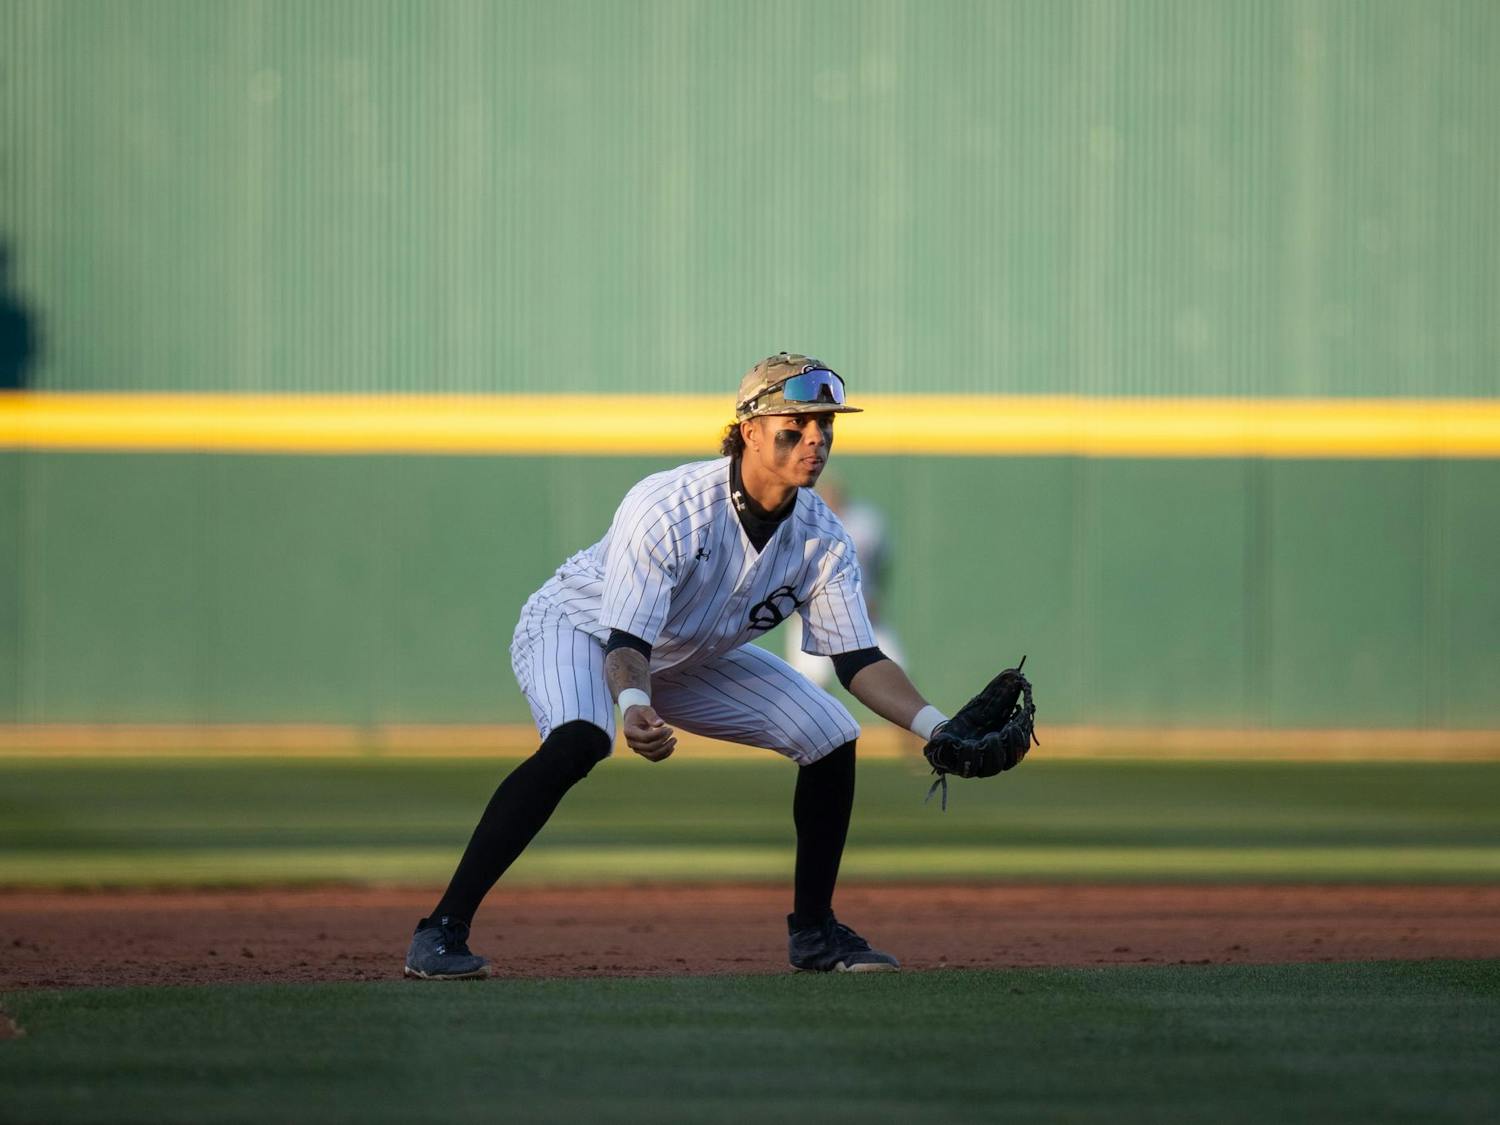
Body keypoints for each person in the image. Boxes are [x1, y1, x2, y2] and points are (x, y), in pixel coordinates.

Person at [404, 353, 954, 980]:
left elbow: (859, 659)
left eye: (825, 426)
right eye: (795, 427)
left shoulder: (821, 536)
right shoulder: (670, 507)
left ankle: (816, 934)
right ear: (749, 429)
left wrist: (938, 727)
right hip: (583, 628)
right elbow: (627, 640)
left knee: (831, 737)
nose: (815, 440)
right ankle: (440, 930)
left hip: (687, 653)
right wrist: (634, 709)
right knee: (582, 738)